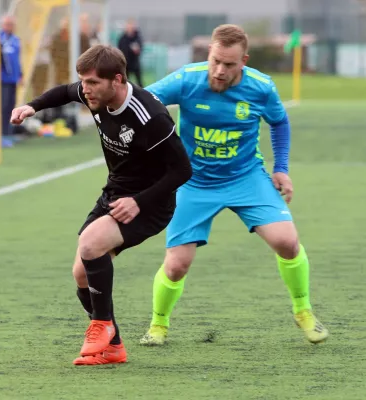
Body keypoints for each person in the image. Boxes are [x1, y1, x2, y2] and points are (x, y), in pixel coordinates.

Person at [139, 24, 329, 346]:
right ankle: (158, 325)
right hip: (193, 181)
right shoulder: (187, 78)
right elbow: (144, 102)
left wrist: (280, 168)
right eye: (215, 61)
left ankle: (303, 310)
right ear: (209, 54)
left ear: (244, 60)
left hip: (246, 177)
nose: (220, 70)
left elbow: (279, 122)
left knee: (287, 242)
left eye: (229, 64)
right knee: (176, 266)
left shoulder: (261, 87)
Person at [10, 45, 192, 365]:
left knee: (90, 243)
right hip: (115, 192)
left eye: (92, 82)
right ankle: (114, 346)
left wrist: (138, 202)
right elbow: (64, 93)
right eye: (84, 81)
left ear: (117, 80)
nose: (85, 89)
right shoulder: (94, 94)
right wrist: (32, 106)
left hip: (151, 202)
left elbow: (182, 170)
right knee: (82, 273)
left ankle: (102, 325)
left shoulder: (150, 116)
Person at [117, 19, 143, 87]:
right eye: (128, 26)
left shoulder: (137, 37)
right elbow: (120, 48)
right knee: (125, 81)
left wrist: (137, 50)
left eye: (131, 26)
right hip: (126, 62)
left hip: (135, 63)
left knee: (139, 81)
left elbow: (140, 47)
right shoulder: (123, 37)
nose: (130, 27)